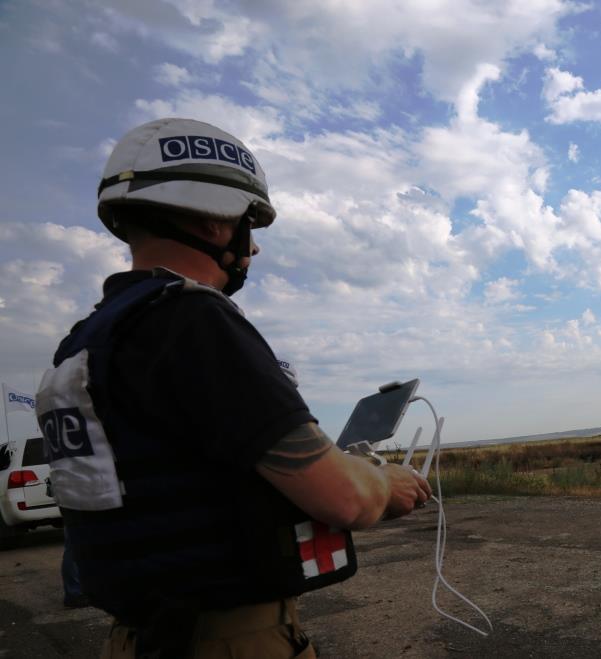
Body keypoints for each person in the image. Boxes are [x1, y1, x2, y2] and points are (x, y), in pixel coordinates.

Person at [35, 118, 432, 658]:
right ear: (216, 222)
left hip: (137, 637)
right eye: (249, 223)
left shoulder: (86, 342)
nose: (254, 249)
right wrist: (387, 482)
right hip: (228, 640)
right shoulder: (192, 319)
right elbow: (345, 499)